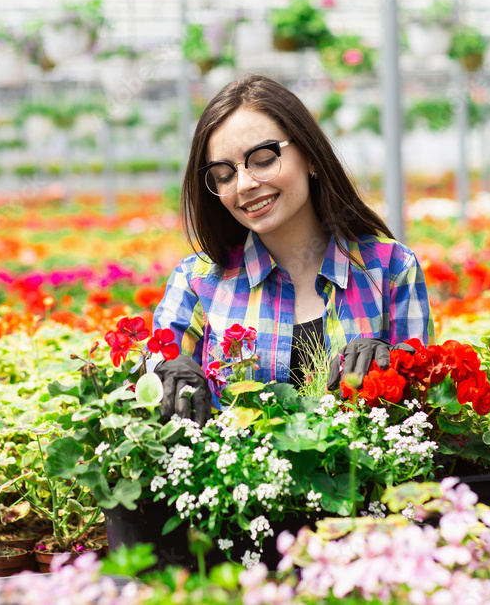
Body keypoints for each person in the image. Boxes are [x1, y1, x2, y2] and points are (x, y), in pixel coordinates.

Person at [152, 74, 434, 425]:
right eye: (224, 175)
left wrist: (394, 361)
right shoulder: (196, 282)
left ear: (311, 156)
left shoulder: (391, 268)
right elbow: (150, 386)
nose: (245, 184)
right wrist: (164, 372)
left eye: (264, 158)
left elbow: (426, 408)